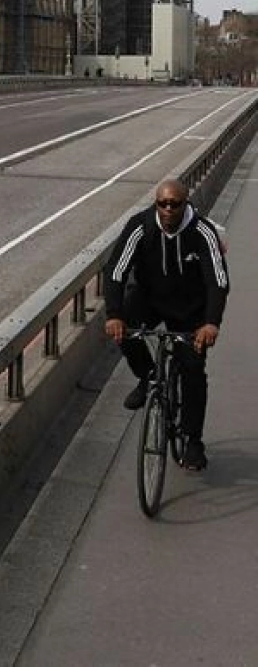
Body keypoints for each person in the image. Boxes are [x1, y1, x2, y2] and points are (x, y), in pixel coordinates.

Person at [103, 178, 229, 471]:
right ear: (156, 203)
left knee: (193, 371)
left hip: (190, 310)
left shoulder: (202, 231)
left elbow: (217, 282)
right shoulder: (140, 226)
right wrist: (113, 314)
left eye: (175, 204)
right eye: (162, 203)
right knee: (126, 331)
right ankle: (148, 377)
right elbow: (116, 270)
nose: (168, 209)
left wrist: (211, 323)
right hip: (150, 298)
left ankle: (194, 441)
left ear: (186, 203)